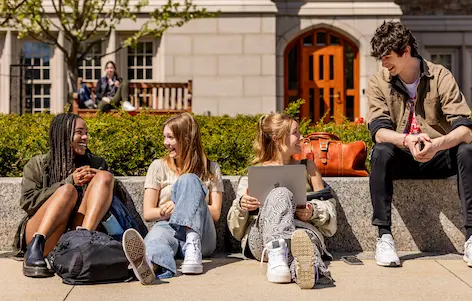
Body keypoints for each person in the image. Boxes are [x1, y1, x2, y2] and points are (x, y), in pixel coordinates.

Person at [366, 21, 472, 268]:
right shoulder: (379, 81)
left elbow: (465, 131)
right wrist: (406, 140)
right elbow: (379, 131)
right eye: (381, 58)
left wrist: (437, 144)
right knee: (380, 152)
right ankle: (384, 237)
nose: (384, 64)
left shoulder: (440, 75)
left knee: (466, 151)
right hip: (401, 157)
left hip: (438, 156)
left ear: (406, 50)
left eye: (388, 57)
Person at [227, 113, 336, 289]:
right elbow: (236, 230)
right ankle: (283, 255)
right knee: (281, 193)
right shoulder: (255, 173)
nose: (301, 137)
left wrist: (312, 211)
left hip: (301, 231)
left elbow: (331, 212)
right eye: (295, 132)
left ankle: (305, 270)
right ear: (278, 139)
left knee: (304, 245)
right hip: (262, 239)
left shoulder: (308, 168)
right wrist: (242, 206)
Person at [14, 113, 117, 278]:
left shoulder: (96, 163)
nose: (85, 137)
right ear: (63, 134)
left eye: (86, 132)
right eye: (79, 132)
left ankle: (83, 245)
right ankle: (34, 250)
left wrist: (100, 176)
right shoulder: (38, 164)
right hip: (44, 234)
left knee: (106, 177)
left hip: (76, 230)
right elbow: (28, 202)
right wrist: (69, 181)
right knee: (68, 190)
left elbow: (110, 200)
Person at [123, 113, 223, 280]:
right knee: (156, 239)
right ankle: (152, 266)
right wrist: (172, 211)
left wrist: (183, 205)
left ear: (186, 139)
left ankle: (192, 250)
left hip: (202, 235)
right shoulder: (158, 166)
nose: (165, 143)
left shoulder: (211, 168)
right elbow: (148, 213)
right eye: (164, 137)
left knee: (189, 180)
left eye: (170, 137)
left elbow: (216, 214)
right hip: (169, 227)